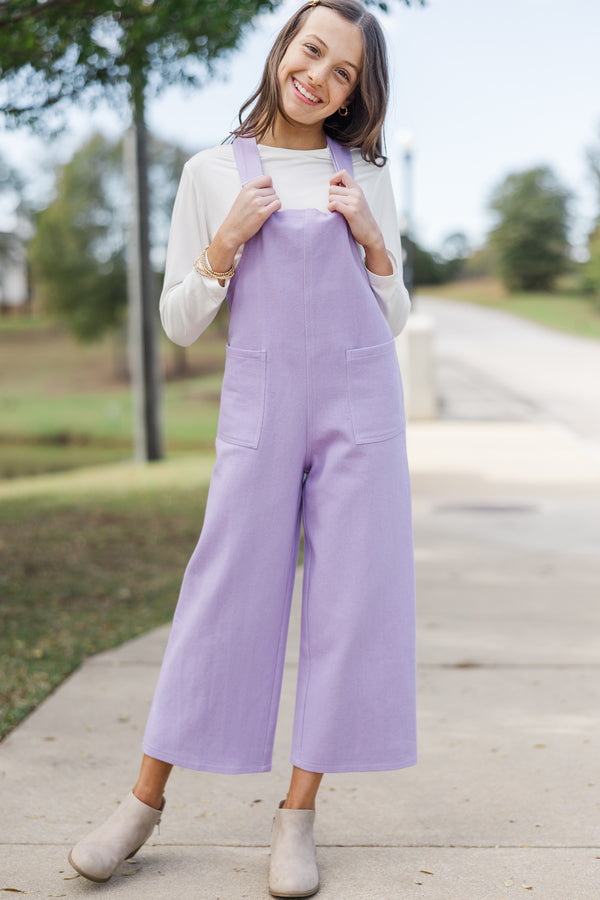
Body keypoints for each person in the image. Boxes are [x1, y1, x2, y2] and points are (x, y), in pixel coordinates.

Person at [68, 0, 416, 895]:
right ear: (282, 50)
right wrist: (225, 243)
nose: (320, 78)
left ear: (354, 94)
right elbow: (180, 323)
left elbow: (397, 314)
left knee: (348, 607)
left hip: (359, 406)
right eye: (313, 53)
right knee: (221, 593)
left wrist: (374, 243)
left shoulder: (364, 178)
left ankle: (297, 819)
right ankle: (141, 805)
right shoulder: (211, 172)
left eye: (344, 73)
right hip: (261, 407)